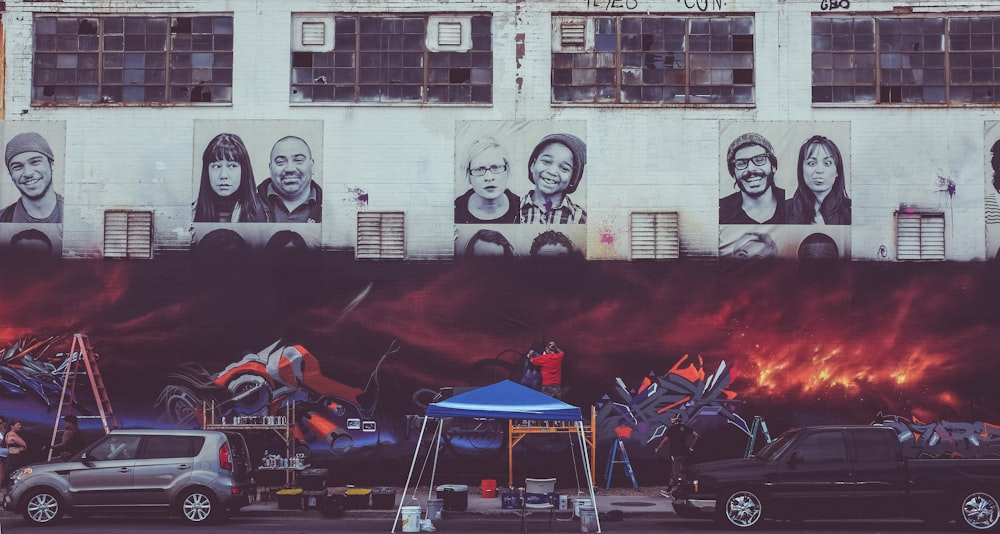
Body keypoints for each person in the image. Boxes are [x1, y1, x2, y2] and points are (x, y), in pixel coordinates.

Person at [194, 133, 270, 223]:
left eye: (232, 166)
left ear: (244, 170)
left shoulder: (263, 212)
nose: (223, 175)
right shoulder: (192, 213)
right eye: (216, 166)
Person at [519, 133, 587, 224]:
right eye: (546, 162)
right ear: (533, 165)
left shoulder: (581, 219)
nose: (552, 171)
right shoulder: (512, 209)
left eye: (564, 168)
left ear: (573, 178)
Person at [720, 132, 786, 225]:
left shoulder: (792, 205)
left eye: (759, 160)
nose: (751, 169)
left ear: (773, 166)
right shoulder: (720, 211)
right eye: (741, 163)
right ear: (733, 174)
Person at [786, 135, 851, 225]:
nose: (819, 170)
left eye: (827, 163)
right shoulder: (784, 210)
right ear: (801, 170)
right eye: (812, 163)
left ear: (837, 171)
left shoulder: (852, 210)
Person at [0, 131, 63, 223]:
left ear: (51, 164)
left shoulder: (73, 213)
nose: (28, 173)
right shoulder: (3, 219)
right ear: (11, 174)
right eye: (17, 167)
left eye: (35, 162)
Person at [257, 135, 322, 223]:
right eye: (280, 162)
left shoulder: (329, 208)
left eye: (299, 160)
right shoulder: (248, 206)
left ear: (312, 166)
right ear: (270, 168)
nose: (290, 169)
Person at [455, 137, 520, 224]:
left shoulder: (521, 207)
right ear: (468, 175)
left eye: (496, 167)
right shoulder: (455, 210)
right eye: (479, 169)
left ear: (507, 170)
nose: (489, 177)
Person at [655, 414, 699, 496]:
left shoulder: (672, 429)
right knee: (673, 472)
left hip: (675, 454)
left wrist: (658, 448)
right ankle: (668, 490)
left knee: (677, 473)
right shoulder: (685, 428)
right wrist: (691, 446)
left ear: (675, 420)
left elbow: (665, 440)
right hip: (684, 454)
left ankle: (683, 491)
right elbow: (696, 435)